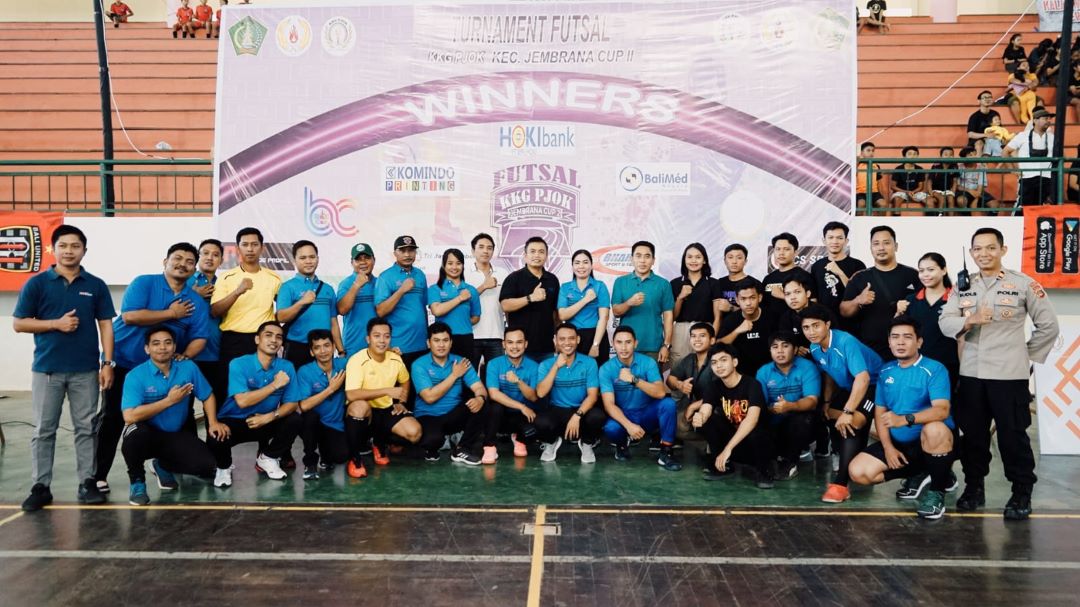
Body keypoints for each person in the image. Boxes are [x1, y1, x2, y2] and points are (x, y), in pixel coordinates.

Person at [939, 227, 1059, 520]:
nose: (984, 254)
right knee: (973, 437)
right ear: (971, 253)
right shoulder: (963, 286)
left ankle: (1021, 492)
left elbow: (1049, 326)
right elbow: (945, 321)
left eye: (990, 248)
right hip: (972, 374)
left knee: (1012, 437)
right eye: (978, 249)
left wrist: (1024, 355)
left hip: (1008, 376)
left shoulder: (1023, 284)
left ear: (1003, 250)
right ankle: (974, 487)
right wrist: (970, 320)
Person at [15, 225, 115, 511]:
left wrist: (107, 363)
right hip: (47, 370)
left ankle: (87, 482)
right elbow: (19, 323)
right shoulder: (37, 284)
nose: (69, 251)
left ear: (84, 250)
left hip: (86, 371)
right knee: (44, 430)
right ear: (54, 248)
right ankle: (41, 486)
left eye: (75, 246)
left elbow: (106, 325)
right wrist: (55, 324)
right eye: (63, 246)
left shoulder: (95, 285)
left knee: (86, 428)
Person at [96, 242, 209, 493]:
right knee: (112, 418)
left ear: (194, 269)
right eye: (177, 258)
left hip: (163, 370)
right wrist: (171, 314)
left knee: (168, 418)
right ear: (165, 262)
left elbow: (200, 337)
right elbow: (130, 316)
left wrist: (185, 356)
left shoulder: (196, 302)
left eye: (189, 262)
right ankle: (98, 476)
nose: (182, 264)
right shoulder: (144, 283)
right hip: (123, 362)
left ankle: (162, 463)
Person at [848, 316, 957, 520]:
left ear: (919, 342)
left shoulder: (934, 369)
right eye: (895, 337)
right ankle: (921, 472)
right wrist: (888, 447)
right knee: (858, 472)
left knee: (935, 429)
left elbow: (942, 410)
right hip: (900, 444)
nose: (900, 342)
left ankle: (937, 489)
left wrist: (906, 419)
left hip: (931, 441)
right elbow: (880, 413)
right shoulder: (886, 371)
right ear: (889, 342)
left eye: (907, 337)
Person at [119, 326, 218, 506]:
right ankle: (137, 482)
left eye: (167, 343)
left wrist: (213, 422)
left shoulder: (188, 367)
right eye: (156, 343)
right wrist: (169, 401)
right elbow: (130, 416)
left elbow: (208, 395)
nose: (162, 347)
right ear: (147, 348)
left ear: (174, 347)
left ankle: (162, 465)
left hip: (173, 433)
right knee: (135, 436)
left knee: (206, 464)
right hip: (146, 433)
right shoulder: (136, 376)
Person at [801, 304, 884, 503]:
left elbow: (863, 378)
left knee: (852, 421)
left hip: (875, 384)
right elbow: (829, 373)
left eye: (816, 326)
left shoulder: (845, 341)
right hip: (849, 386)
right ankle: (849, 456)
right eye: (806, 327)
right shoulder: (814, 347)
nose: (811, 332)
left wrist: (848, 411)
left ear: (827, 324)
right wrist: (827, 402)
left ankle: (841, 484)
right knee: (828, 414)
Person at [206, 321, 303, 487]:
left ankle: (268, 458)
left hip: (265, 420)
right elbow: (242, 401)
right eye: (268, 335)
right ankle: (224, 467)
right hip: (235, 420)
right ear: (257, 339)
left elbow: (292, 403)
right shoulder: (239, 363)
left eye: (278, 337)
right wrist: (274, 385)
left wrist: (270, 417)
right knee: (216, 436)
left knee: (295, 419)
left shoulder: (286, 367)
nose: (274, 340)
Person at [688, 343, 774, 488]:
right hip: (735, 444)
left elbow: (752, 420)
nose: (718, 366)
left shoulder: (752, 384)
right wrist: (700, 417)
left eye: (723, 360)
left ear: (734, 362)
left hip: (757, 444)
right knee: (708, 422)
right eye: (714, 362)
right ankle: (725, 466)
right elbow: (706, 408)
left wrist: (728, 448)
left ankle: (763, 470)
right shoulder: (714, 386)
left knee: (757, 431)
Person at [343, 317, 421, 476]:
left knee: (415, 433)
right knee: (359, 407)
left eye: (386, 336)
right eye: (377, 336)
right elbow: (351, 394)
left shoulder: (395, 358)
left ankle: (379, 444)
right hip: (365, 412)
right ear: (368, 339)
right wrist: (386, 391)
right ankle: (355, 459)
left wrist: (402, 401)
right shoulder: (357, 360)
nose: (382, 340)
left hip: (385, 409)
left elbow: (405, 380)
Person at [599, 326, 682, 471]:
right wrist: (628, 425)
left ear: (635, 343)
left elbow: (660, 393)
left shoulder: (648, 362)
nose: (623, 347)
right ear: (613, 344)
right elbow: (609, 405)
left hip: (646, 414)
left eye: (628, 342)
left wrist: (634, 379)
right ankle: (622, 445)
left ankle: (666, 452)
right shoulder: (606, 369)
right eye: (619, 342)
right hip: (624, 414)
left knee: (668, 404)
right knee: (611, 428)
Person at [412, 322, 490, 465]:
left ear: (451, 343)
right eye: (436, 340)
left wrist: (480, 398)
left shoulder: (461, 362)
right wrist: (454, 375)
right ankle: (440, 441)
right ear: (428, 343)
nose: (441, 345)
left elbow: (479, 388)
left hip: (453, 414)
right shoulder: (419, 364)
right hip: (428, 416)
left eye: (445, 340)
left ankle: (462, 449)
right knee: (433, 441)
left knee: (483, 404)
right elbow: (429, 397)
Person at [840, 225, 920, 360]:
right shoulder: (860, 277)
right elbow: (844, 311)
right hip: (870, 350)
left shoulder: (913, 275)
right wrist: (858, 300)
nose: (881, 248)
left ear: (896, 246)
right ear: (871, 248)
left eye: (886, 243)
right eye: (876, 244)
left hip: (904, 348)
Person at [534, 323, 605, 462]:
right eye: (562, 339)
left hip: (581, 410)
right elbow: (541, 393)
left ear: (578, 339)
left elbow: (592, 396)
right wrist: (556, 366)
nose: (567, 343)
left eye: (571, 338)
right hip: (558, 410)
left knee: (597, 416)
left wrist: (577, 416)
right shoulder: (546, 364)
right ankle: (551, 442)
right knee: (541, 422)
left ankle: (586, 443)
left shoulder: (589, 363)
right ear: (555, 340)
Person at [211, 227, 282, 361]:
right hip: (233, 340)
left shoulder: (274, 278)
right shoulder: (226, 277)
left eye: (254, 244)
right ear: (238, 249)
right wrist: (237, 292)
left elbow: (283, 311)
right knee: (231, 375)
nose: (250, 249)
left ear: (262, 248)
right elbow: (215, 311)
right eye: (245, 245)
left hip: (264, 340)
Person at [755, 333, 819, 480]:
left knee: (805, 419)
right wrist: (774, 408)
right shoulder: (763, 372)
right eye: (775, 347)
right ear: (770, 351)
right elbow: (760, 405)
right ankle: (771, 458)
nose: (780, 351)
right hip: (774, 423)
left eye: (785, 346)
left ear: (795, 349)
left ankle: (791, 461)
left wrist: (791, 406)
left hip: (799, 422)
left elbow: (812, 400)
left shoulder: (807, 367)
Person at [277, 240, 341, 369]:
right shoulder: (287, 287)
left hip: (323, 349)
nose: (308, 261)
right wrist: (301, 302)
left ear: (318, 259)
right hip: (297, 348)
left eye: (312, 257)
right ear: (294, 260)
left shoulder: (328, 289)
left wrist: (341, 350)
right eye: (303, 258)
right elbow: (281, 317)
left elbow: (333, 322)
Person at [896, 253, 959, 384]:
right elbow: (899, 332)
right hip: (917, 366)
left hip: (948, 366)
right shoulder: (910, 300)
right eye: (921, 270)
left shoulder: (956, 298)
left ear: (944, 270)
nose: (925, 274)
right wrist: (898, 312)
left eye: (931, 269)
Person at [374, 235, 429, 382]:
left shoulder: (420, 275)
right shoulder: (385, 277)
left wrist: (428, 337)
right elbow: (380, 311)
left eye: (411, 250)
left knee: (420, 390)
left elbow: (423, 308)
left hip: (422, 346)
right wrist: (401, 290)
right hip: (399, 347)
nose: (407, 254)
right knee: (400, 391)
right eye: (403, 250)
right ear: (395, 253)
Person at [295, 329, 348, 480]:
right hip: (314, 424)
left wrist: (390, 352)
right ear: (312, 352)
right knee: (309, 416)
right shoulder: (305, 371)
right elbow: (303, 406)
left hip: (335, 425)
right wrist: (330, 389)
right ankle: (310, 463)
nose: (323, 351)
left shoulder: (344, 364)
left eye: (326, 345)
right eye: (317, 347)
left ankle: (326, 454)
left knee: (341, 457)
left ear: (333, 347)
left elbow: (368, 360)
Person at [611, 241, 674, 363]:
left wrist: (666, 345)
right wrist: (629, 303)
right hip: (626, 347)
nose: (642, 261)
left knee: (653, 376)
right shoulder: (620, 282)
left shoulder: (663, 284)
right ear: (631, 259)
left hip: (653, 346)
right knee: (625, 376)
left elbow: (668, 316)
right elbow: (616, 311)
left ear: (653, 260)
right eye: (638, 256)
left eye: (647, 256)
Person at [499, 236, 560, 362]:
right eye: (532, 251)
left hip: (546, 347)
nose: (537, 255)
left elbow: (556, 313)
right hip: (520, 347)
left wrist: (557, 337)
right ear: (525, 256)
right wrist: (530, 298)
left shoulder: (552, 279)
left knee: (547, 375)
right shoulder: (514, 278)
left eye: (541, 252)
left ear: (546, 256)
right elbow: (505, 305)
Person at [485, 326, 541, 458]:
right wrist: (521, 406)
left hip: (523, 415)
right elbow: (493, 394)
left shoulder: (534, 366)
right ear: (504, 344)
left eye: (519, 342)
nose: (514, 347)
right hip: (502, 414)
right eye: (510, 342)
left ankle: (519, 439)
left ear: (525, 344)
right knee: (494, 408)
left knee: (535, 429)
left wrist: (518, 382)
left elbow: (533, 397)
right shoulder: (494, 364)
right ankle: (489, 446)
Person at [189, 239, 227, 424]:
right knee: (183, 405)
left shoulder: (225, 284)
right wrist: (193, 293)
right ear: (198, 256)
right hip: (188, 354)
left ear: (221, 260)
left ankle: (214, 441)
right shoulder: (186, 280)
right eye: (205, 253)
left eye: (215, 255)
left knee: (215, 406)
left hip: (215, 354)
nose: (210, 258)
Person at [669, 243, 722, 368]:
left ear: (704, 260)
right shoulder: (675, 283)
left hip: (705, 328)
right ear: (684, 260)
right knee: (678, 365)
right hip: (681, 329)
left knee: (705, 366)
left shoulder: (713, 283)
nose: (693, 260)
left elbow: (718, 317)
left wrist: (712, 336)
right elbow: (673, 316)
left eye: (698, 257)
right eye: (690, 257)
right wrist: (680, 297)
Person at [557, 249, 611, 365]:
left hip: (596, 335)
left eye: (585, 262)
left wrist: (595, 344)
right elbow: (562, 315)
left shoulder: (600, 286)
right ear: (572, 266)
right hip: (572, 337)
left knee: (597, 371)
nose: (581, 266)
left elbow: (604, 317)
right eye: (577, 263)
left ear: (591, 265)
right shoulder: (565, 287)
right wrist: (586, 299)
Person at [811, 221, 866, 333]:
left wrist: (840, 272)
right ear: (824, 241)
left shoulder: (857, 265)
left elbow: (860, 295)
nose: (835, 241)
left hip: (851, 322)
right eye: (830, 237)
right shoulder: (817, 266)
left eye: (839, 238)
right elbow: (814, 297)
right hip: (825, 323)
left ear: (846, 241)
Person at [427, 248, 481, 361]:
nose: (454, 267)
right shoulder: (435, 289)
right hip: (442, 339)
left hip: (465, 338)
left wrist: (461, 321)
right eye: (450, 263)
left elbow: (476, 317)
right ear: (444, 265)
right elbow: (437, 311)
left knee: (466, 370)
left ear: (463, 266)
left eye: (458, 263)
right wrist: (460, 298)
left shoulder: (471, 290)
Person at [465, 233, 507, 373]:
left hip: (496, 335)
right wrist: (484, 286)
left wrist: (506, 334)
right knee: (469, 378)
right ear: (473, 251)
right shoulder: (464, 273)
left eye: (489, 248)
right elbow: (461, 300)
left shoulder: (503, 273)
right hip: (471, 335)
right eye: (481, 247)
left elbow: (506, 304)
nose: (485, 251)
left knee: (496, 377)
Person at [666, 322, 715, 439]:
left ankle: (711, 441)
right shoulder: (689, 359)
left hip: (714, 407)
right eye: (693, 336)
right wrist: (679, 384)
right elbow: (670, 379)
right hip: (693, 404)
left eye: (702, 336)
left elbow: (721, 394)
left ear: (712, 340)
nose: (697, 339)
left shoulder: (717, 360)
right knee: (674, 426)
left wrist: (693, 407)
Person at [718, 278, 776, 377]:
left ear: (760, 298)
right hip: (742, 374)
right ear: (737, 300)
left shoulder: (772, 317)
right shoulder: (731, 320)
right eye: (743, 299)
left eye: (752, 298)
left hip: (770, 372)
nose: (748, 303)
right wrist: (737, 331)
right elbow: (719, 345)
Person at [1004, 107, 1056, 208]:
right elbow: (1005, 151)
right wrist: (1012, 170)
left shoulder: (1052, 137)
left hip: (1046, 178)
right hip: (1027, 178)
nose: (1049, 121)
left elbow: (1061, 156)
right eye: (1045, 118)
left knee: (1040, 208)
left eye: (1049, 119)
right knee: (1023, 208)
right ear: (1035, 120)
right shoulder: (1023, 135)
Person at [337, 243, 378, 358]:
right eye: (358, 259)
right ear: (352, 262)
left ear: (374, 260)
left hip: (379, 345)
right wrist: (356, 285)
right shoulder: (346, 284)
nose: (363, 262)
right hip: (353, 346)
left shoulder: (380, 283)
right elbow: (342, 310)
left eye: (367, 258)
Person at [761, 233, 815, 318]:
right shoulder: (768, 278)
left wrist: (783, 295)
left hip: (796, 323)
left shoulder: (805, 276)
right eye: (778, 249)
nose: (781, 253)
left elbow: (813, 307)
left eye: (786, 249)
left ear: (795, 252)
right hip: (771, 325)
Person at [775, 276, 814, 353]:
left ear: (808, 293)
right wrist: (796, 349)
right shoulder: (785, 318)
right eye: (788, 294)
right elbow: (785, 342)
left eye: (797, 292)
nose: (792, 297)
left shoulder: (822, 313)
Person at [888, 146, 929, 214]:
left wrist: (912, 192)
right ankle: (896, 220)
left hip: (915, 192)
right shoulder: (898, 169)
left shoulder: (920, 169)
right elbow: (893, 186)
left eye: (915, 154)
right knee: (897, 199)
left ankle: (932, 220)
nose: (912, 156)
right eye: (909, 154)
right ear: (904, 156)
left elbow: (920, 187)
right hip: (901, 192)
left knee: (930, 201)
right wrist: (907, 192)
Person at [956, 146, 997, 215]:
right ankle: (967, 218)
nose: (974, 157)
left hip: (978, 191)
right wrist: (970, 191)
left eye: (975, 154)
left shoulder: (980, 167)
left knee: (995, 205)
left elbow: (980, 188)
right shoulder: (959, 167)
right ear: (964, 157)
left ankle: (990, 221)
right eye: (970, 155)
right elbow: (958, 186)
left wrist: (976, 195)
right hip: (964, 191)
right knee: (961, 201)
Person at [714, 243, 753, 311]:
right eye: (730, 257)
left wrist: (731, 308)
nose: (734, 261)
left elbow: (757, 312)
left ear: (745, 261)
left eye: (739, 258)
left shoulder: (754, 283)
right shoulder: (719, 283)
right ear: (725, 261)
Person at [966, 90, 1001, 157]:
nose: (987, 99)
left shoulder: (995, 114)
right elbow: (970, 134)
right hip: (978, 139)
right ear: (979, 101)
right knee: (979, 143)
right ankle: (980, 162)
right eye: (985, 97)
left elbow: (999, 128)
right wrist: (986, 135)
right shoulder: (974, 116)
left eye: (989, 97)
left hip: (992, 138)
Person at [855, 141, 885, 213]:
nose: (871, 153)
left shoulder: (876, 165)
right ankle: (859, 220)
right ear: (862, 152)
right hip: (860, 192)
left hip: (874, 192)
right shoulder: (858, 164)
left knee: (883, 204)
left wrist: (883, 195)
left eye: (873, 151)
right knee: (861, 204)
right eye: (868, 150)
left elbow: (879, 182)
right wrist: (857, 159)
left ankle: (881, 220)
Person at [928, 147, 960, 211]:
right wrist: (930, 192)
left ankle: (951, 217)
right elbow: (930, 180)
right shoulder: (936, 165)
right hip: (936, 190)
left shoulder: (954, 165)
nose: (948, 156)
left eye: (951, 155)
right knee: (942, 198)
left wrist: (953, 192)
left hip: (948, 190)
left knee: (951, 199)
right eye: (946, 154)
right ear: (941, 156)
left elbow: (955, 181)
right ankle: (940, 216)